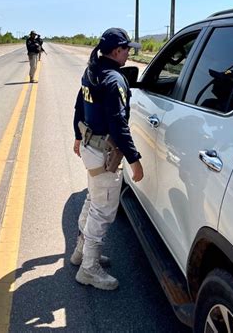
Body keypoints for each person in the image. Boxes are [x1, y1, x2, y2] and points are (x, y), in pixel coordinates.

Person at [71, 27, 144, 290]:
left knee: (93, 199)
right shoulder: (114, 80)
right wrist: (134, 159)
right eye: (126, 50)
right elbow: (118, 124)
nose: (129, 54)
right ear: (116, 51)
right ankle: (89, 269)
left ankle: (82, 253)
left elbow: (80, 105)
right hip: (104, 152)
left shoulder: (92, 70)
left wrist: (77, 136)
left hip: (91, 146)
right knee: (103, 210)